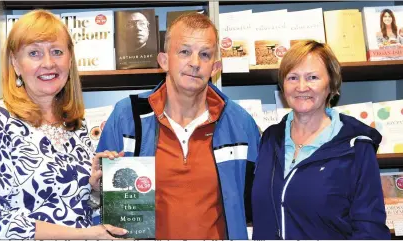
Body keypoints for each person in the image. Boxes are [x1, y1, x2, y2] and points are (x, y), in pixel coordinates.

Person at [89, 13, 260, 239]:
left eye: (205, 54)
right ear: (163, 60)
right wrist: (96, 191)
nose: (195, 63)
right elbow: (102, 211)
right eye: (185, 51)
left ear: (215, 67)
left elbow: (257, 206)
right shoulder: (128, 117)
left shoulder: (240, 124)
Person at [0, 10, 126, 239]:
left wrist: (95, 189)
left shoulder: (75, 126)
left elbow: (76, 211)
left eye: (57, 52)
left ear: (70, 60)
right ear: (15, 63)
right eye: (34, 53)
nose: (48, 63)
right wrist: (85, 235)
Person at [251, 40, 390, 239]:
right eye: (292, 77)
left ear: (331, 84)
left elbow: (370, 230)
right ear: (283, 86)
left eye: (312, 77)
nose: (301, 87)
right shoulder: (269, 139)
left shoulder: (356, 147)